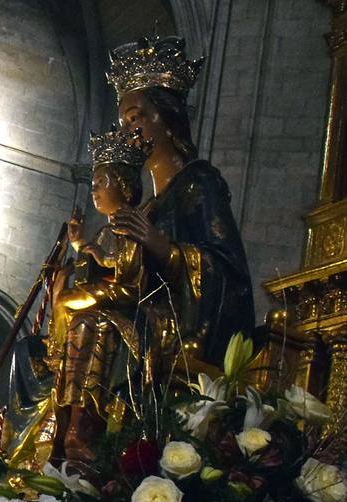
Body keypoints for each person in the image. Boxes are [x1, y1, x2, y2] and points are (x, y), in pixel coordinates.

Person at [104, 36, 253, 368]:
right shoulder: (146, 208)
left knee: (103, 327)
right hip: (146, 323)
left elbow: (228, 275)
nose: (128, 133)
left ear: (168, 119)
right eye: (122, 126)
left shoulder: (198, 183)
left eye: (134, 118)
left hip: (181, 336)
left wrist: (159, 246)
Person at [50, 126, 153, 462]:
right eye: (92, 185)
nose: (93, 192)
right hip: (104, 295)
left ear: (122, 186)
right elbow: (95, 260)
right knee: (66, 302)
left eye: (100, 184)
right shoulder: (109, 228)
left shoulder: (132, 224)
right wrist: (80, 243)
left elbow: (125, 270)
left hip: (121, 303)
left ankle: (84, 421)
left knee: (84, 321)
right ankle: (58, 372)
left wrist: (92, 250)